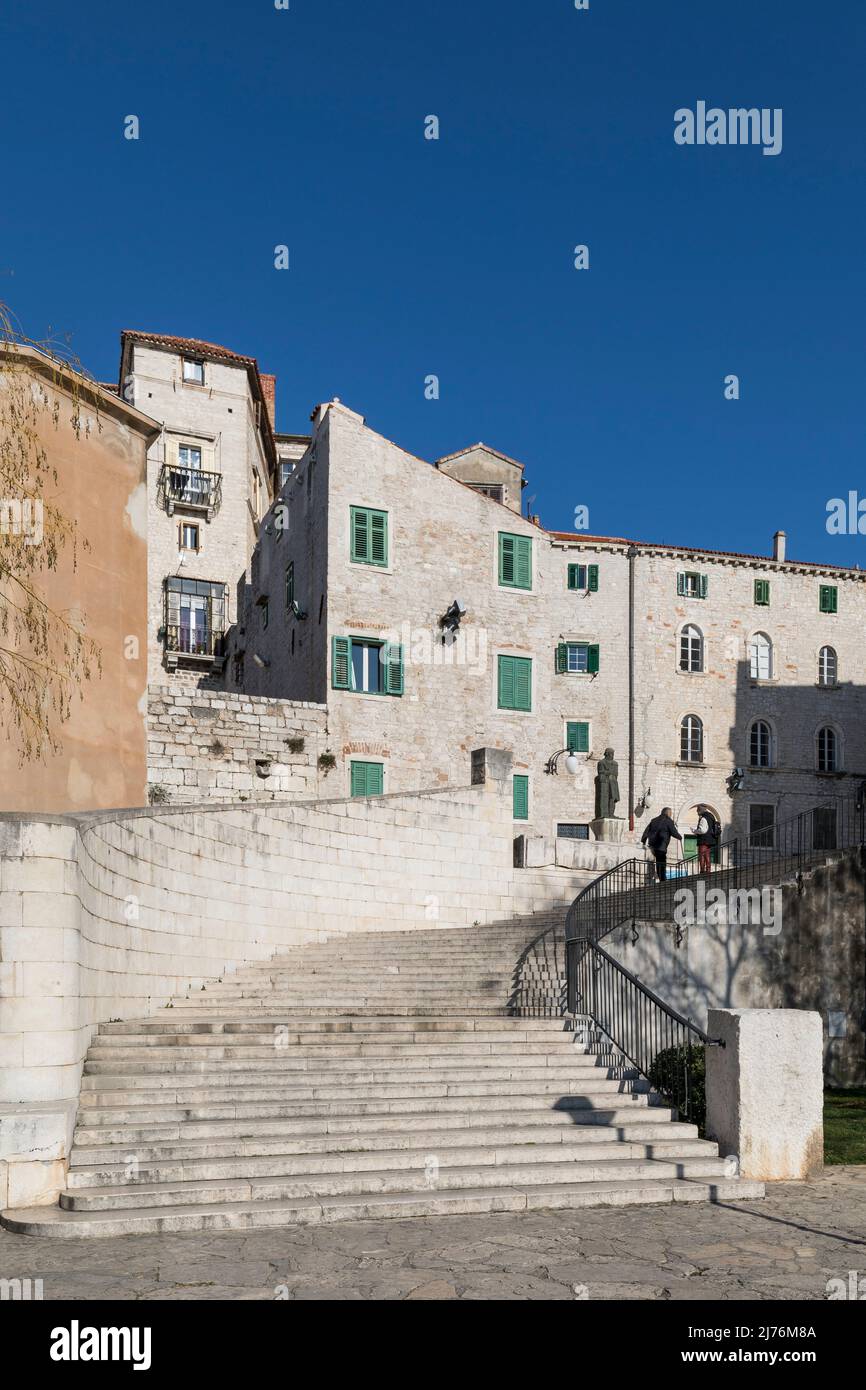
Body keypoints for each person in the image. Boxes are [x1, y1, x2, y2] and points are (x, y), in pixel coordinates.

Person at [640, 807, 682, 881]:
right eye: (671, 813)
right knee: (662, 862)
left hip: (652, 845)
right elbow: (673, 832)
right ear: (668, 813)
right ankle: (662, 879)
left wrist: (643, 841)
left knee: (657, 862)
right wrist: (680, 837)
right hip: (661, 845)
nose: (671, 815)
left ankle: (659, 877)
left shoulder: (654, 820)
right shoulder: (669, 821)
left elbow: (646, 832)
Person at [693, 804, 720, 874]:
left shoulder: (704, 818)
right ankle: (708, 870)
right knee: (707, 854)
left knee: (701, 855)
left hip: (703, 840)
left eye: (697, 811)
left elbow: (702, 830)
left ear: (700, 810)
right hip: (710, 839)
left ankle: (702, 870)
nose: (697, 813)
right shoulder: (711, 816)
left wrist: (694, 831)